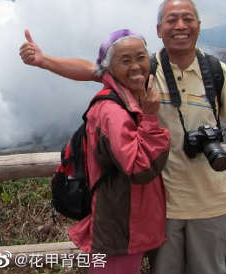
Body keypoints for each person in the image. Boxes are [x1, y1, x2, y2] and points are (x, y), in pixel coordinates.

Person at [20, 0, 226, 274]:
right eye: (171, 19)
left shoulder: (216, 72)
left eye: (188, 19)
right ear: (158, 30)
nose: (180, 26)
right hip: (163, 207)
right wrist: (44, 61)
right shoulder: (143, 69)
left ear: (199, 25)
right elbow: (94, 70)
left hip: (212, 201)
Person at [67, 29, 170, 273]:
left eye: (141, 57)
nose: (136, 66)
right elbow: (139, 166)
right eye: (125, 60)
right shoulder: (112, 111)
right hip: (121, 226)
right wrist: (151, 118)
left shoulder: (130, 99)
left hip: (129, 222)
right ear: (108, 68)